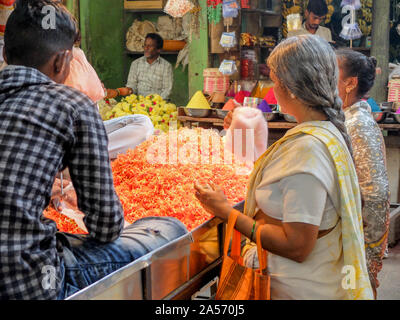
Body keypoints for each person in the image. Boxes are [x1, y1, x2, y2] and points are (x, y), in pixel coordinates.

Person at [0, 0, 187, 300]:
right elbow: (105, 227)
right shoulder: (72, 106)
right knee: (167, 229)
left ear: (6, 55)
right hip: (30, 283)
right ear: (62, 62)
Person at [195, 35, 373, 300]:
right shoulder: (322, 132)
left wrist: (225, 211)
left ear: (291, 88)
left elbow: (297, 245)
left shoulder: (308, 149)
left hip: (297, 290)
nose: (273, 89)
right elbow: (284, 179)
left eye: (275, 81)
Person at [336, 48, 390, 298]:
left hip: (359, 240)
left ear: (350, 83)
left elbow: (376, 195)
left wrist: (366, 247)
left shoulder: (358, 125)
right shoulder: (350, 119)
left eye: (332, 73)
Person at [107, 33, 173, 101]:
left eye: (150, 46)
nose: (146, 48)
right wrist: (119, 91)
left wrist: (154, 103)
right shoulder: (136, 64)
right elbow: (131, 86)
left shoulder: (166, 66)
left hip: (158, 105)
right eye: (145, 45)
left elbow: (167, 91)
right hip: (139, 104)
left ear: (158, 49)